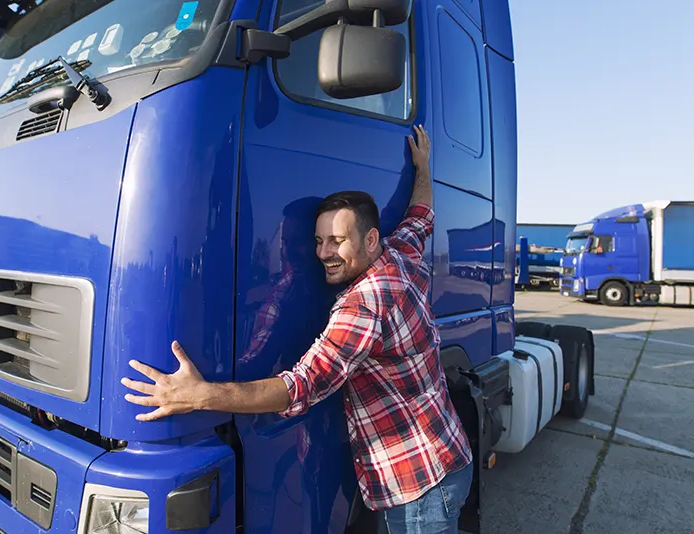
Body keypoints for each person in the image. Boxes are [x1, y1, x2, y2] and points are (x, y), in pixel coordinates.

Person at [122, 125, 473, 534]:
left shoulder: (364, 304)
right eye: (318, 240)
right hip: (446, 454)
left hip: (418, 484)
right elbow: (421, 214)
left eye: (337, 240)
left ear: (370, 238)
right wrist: (423, 166)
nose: (324, 253)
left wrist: (201, 396)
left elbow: (301, 386)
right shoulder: (401, 252)